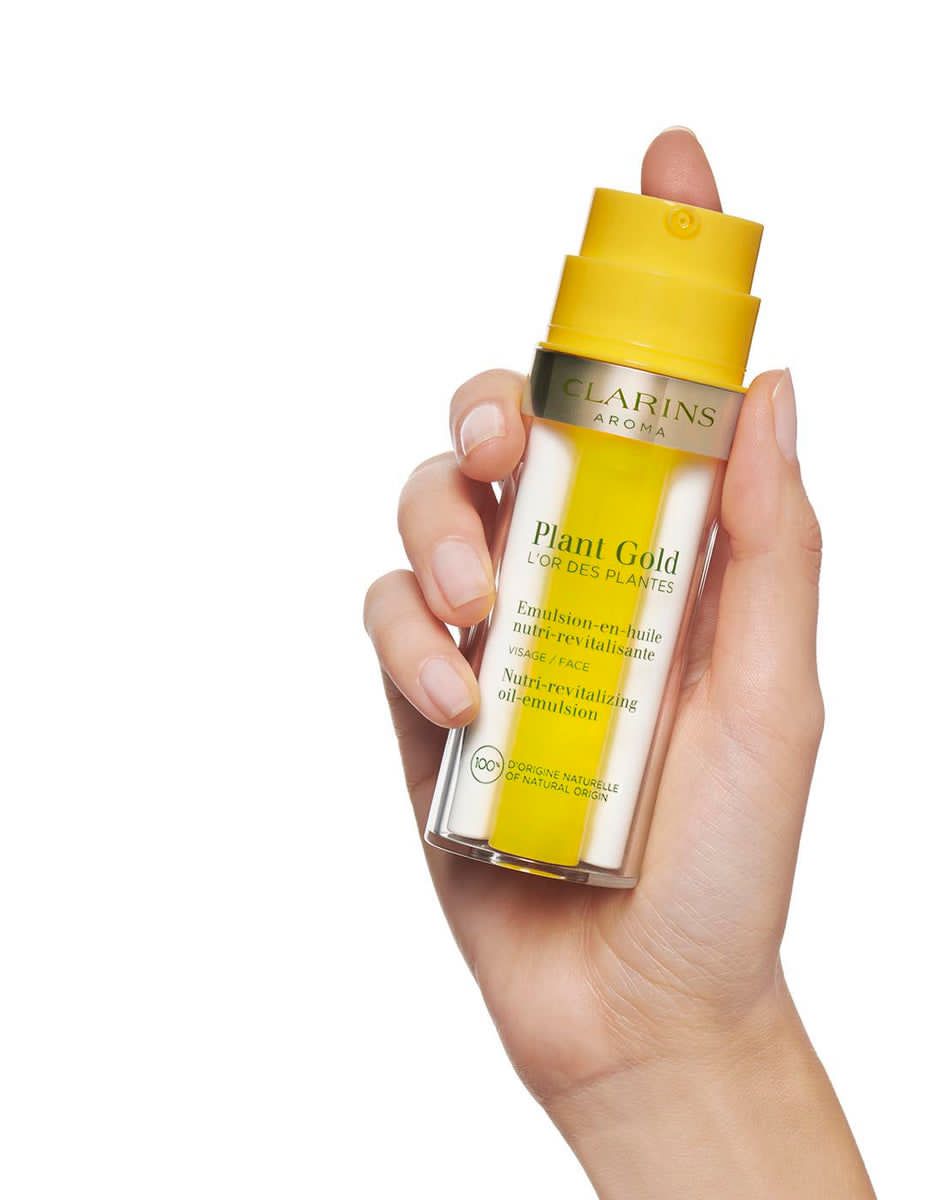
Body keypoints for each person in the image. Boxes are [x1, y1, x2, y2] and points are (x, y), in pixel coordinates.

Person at [364, 127, 875, 1198]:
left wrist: (692, 1044)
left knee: (577, 561)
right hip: (505, 807)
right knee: (532, 552)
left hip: (627, 878)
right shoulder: (564, 419)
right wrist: (678, 1063)